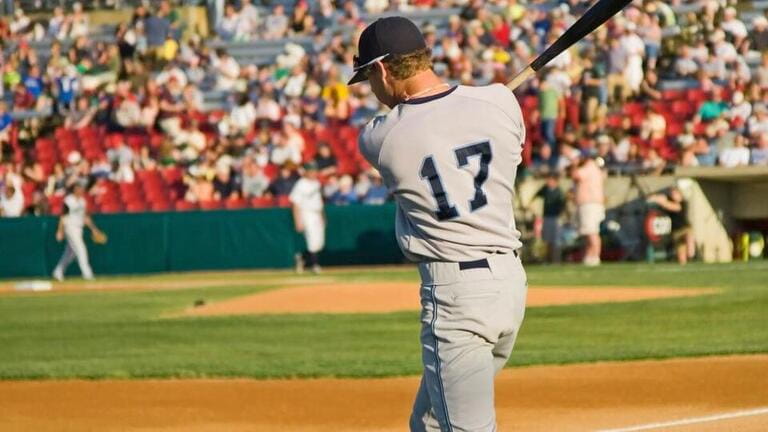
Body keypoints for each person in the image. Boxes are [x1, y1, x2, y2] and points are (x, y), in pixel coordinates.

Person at [351, 17, 527, 432]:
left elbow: (413, 122)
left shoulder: (380, 139)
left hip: (456, 295)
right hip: (510, 284)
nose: (372, 92)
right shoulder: (501, 102)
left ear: (381, 68)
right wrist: (486, 99)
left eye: (368, 78)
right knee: (430, 422)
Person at [52, 183, 104, 281]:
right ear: (74, 190)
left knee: (70, 253)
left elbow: (85, 217)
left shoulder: (82, 201)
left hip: (79, 228)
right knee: (81, 249)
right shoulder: (69, 200)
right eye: (78, 189)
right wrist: (60, 231)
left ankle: (58, 271)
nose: (80, 191)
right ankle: (87, 274)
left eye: (81, 189)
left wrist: (94, 229)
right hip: (70, 227)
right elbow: (63, 216)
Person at [290, 162, 325, 274]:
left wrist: (322, 215)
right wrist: (298, 220)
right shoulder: (300, 184)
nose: (313, 173)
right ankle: (315, 265)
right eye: (311, 170)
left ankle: (302, 258)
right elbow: (295, 203)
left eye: (314, 170)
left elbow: (319, 202)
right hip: (306, 213)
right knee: (312, 239)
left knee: (319, 242)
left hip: (316, 213)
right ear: (306, 172)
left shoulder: (316, 183)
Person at [571, 155, 605, 266]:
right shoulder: (595, 168)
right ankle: (591, 256)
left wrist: (574, 164)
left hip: (589, 204)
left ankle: (594, 256)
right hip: (592, 204)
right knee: (590, 232)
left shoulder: (589, 167)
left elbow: (575, 175)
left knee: (592, 232)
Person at [647, 186, 694, 264]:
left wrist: (662, 202)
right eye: (672, 194)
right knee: (681, 255)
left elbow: (675, 207)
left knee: (688, 236)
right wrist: (654, 198)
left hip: (685, 228)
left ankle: (691, 253)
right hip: (676, 231)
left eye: (675, 193)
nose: (673, 195)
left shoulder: (683, 203)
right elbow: (659, 199)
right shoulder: (668, 200)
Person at [532, 172, 566, 263]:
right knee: (547, 240)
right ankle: (548, 259)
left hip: (555, 218)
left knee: (556, 240)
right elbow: (535, 196)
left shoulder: (559, 192)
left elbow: (563, 204)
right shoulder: (545, 189)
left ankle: (556, 260)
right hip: (547, 217)